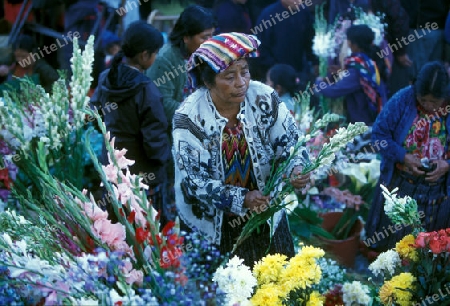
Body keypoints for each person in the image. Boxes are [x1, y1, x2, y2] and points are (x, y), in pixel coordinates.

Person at [173, 32, 311, 266]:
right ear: (208, 82)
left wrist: (296, 166)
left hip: (265, 212)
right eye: (229, 76)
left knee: (279, 283)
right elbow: (194, 180)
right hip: (214, 223)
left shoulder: (264, 98)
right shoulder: (189, 117)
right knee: (225, 291)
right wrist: (241, 198)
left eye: (244, 72)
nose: (241, 83)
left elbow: (292, 141)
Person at [90, 21, 172, 226]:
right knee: (145, 228)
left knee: (116, 223)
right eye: (155, 53)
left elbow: (94, 117)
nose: (155, 58)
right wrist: (163, 161)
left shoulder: (105, 78)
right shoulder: (146, 89)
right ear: (144, 55)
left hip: (112, 162)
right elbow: (155, 137)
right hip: (143, 170)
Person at [365, 61, 450, 252]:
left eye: (434, 103)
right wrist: (403, 156)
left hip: (438, 195)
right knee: (390, 245)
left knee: (426, 249)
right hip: (400, 184)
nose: (428, 106)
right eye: (423, 99)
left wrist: (446, 165)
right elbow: (379, 135)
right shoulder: (403, 99)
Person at [146, 5, 216, 127]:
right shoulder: (164, 59)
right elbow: (162, 104)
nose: (210, 41)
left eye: (212, 35)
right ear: (186, 38)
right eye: (205, 37)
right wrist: (199, 115)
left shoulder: (203, 56)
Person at [315, 24, 388, 125]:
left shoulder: (356, 70)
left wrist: (318, 82)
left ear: (355, 45)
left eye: (348, 40)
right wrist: (341, 72)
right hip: (372, 116)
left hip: (362, 121)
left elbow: (333, 91)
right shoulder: (368, 62)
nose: (347, 43)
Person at [254, 0, 318, 81]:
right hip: (275, 74)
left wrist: (315, 62)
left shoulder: (304, 12)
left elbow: (310, 40)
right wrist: (274, 70)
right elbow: (261, 47)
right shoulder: (268, 15)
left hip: (299, 70)